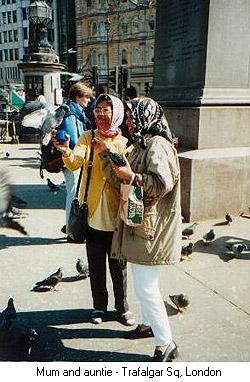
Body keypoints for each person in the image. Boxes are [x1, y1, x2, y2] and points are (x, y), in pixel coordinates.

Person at [100, 97, 182, 361]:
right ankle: (148, 324)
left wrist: (131, 176)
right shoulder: (141, 143)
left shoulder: (158, 145)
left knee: (146, 288)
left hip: (152, 228)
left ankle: (166, 343)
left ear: (147, 116)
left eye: (134, 116)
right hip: (140, 224)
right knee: (145, 282)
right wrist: (105, 154)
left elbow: (161, 183)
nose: (130, 120)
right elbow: (120, 178)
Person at [53, 93, 135, 326]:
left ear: (116, 114)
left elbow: (123, 177)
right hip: (91, 213)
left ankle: (122, 308)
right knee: (96, 264)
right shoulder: (87, 137)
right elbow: (75, 162)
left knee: (118, 266)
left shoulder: (124, 143)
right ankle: (99, 306)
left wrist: (105, 152)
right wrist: (66, 150)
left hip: (116, 213)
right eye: (97, 110)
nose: (100, 114)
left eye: (105, 110)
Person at [59, 82, 93, 236]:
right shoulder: (71, 113)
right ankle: (71, 231)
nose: (89, 101)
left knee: (73, 193)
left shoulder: (75, 111)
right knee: (73, 195)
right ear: (78, 97)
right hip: (72, 159)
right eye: (87, 97)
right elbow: (73, 140)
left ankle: (69, 226)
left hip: (73, 158)